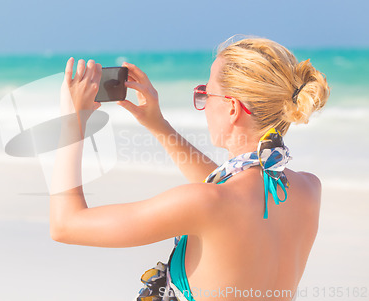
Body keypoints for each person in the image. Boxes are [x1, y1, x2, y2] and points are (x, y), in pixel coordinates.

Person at [49, 35, 330, 301]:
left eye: (205, 94)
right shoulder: (307, 190)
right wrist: (157, 124)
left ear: (232, 108)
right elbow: (226, 191)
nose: (204, 104)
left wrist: (72, 121)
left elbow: (66, 225)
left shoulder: (207, 204)